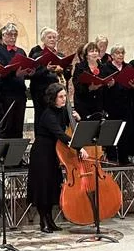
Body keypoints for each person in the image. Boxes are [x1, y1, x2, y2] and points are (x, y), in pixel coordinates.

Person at [27, 83, 88, 233]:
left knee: (53, 186)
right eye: (60, 97)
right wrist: (79, 147)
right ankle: (43, 221)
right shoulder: (48, 115)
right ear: (52, 98)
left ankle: (50, 220)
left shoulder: (62, 112)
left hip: (55, 153)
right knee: (43, 187)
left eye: (65, 96)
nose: (64, 99)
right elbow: (61, 135)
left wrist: (78, 119)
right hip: (42, 153)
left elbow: (71, 128)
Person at [0, 22, 34, 139]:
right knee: (6, 126)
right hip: (5, 93)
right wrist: (15, 74)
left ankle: (17, 156)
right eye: (9, 35)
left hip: (20, 93)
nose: (13, 37)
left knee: (18, 127)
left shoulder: (21, 51)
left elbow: (24, 69)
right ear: (2, 36)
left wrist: (29, 73)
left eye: (15, 35)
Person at [29, 27, 71, 131]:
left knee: (58, 119)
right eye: (49, 37)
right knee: (41, 119)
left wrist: (66, 70)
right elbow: (33, 75)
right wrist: (46, 69)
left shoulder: (60, 55)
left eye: (54, 38)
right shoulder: (37, 55)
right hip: (41, 94)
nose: (52, 39)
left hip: (57, 94)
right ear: (43, 40)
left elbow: (67, 77)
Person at [100, 45, 134, 165]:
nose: (120, 55)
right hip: (112, 105)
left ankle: (124, 158)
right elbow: (103, 86)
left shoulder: (128, 67)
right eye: (118, 53)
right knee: (112, 132)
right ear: (112, 55)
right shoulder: (106, 68)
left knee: (125, 132)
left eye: (122, 53)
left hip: (126, 105)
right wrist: (110, 85)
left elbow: (131, 85)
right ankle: (112, 159)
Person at [71, 41, 108, 121]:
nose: (94, 53)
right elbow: (76, 85)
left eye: (96, 51)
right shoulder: (80, 67)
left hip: (98, 105)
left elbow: (105, 83)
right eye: (91, 51)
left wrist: (109, 83)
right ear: (86, 55)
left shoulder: (103, 67)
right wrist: (89, 88)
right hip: (83, 104)